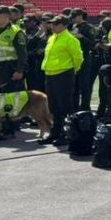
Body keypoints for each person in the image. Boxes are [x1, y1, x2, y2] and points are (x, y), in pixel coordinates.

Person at [0, 6, 29, 139]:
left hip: (7, 69)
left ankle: (8, 129)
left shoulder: (16, 32)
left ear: (7, 16)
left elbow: (22, 54)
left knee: (7, 100)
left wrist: (20, 70)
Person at [39, 15, 83, 146]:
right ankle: (55, 133)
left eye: (56, 24)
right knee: (53, 106)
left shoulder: (70, 39)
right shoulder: (52, 38)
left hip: (63, 75)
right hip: (50, 74)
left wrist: (72, 70)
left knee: (64, 106)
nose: (52, 26)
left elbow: (78, 57)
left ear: (64, 25)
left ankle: (66, 133)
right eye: (52, 23)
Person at [69, 9, 99, 112]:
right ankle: (74, 108)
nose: (73, 18)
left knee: (84, 85)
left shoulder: (89, 28)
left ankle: (85, 108)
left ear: (81, 15)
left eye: (74, 16)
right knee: (74, 85)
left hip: (85, 58)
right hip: (73, 59)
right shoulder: (73, 27)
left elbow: (93, 44)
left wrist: (82, 37)